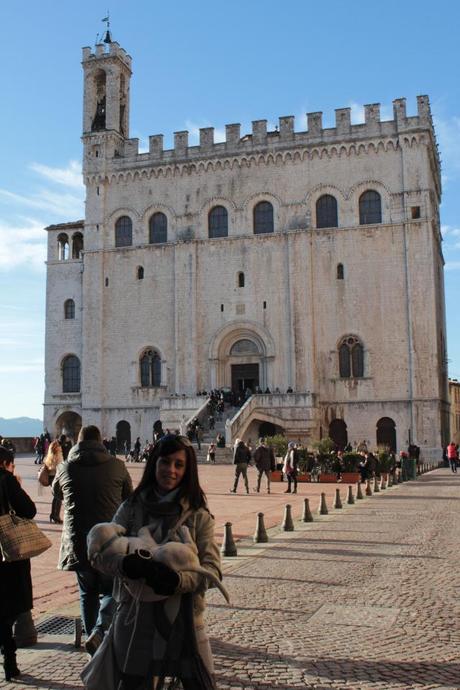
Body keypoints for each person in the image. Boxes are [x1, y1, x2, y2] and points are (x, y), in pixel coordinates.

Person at [90, 434, 222, 690]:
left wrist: (177, 580)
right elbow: (99, 553)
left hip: (185, 621)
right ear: (154, 464)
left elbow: (213, 570)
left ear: (187, 470)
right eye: (165, 462)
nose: (170, 470)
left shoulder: (199, 516)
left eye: (179, 464)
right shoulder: (131, 508)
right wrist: (124, 565)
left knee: (200, 683)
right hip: (134, 619)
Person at [52, 425, 133, 656]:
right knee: (112, 590)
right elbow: (129, 497)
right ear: (101, 441)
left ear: (77, 442)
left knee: (87, 594)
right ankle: (101, 632)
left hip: (79, 544)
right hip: (109, 541)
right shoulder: (117, 465)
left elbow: (57, 494)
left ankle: (93, 643)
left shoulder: (65, 467)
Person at [0, 446, 36, 681]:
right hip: (7, 553)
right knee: (8, 608)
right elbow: (29, 510)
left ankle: (9, 657)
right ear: (6, 463)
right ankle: (9, 660)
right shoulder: (6, 481)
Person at [43, 439, 64, 523]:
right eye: (59, 446)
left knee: (56, 497)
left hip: (51, 477)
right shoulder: (58, 455)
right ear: (57, 448)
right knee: (58, 497)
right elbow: (60, 467)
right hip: (57, 477)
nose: (60, 447)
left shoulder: (49, 455)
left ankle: (53, 515)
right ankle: (56, 516)